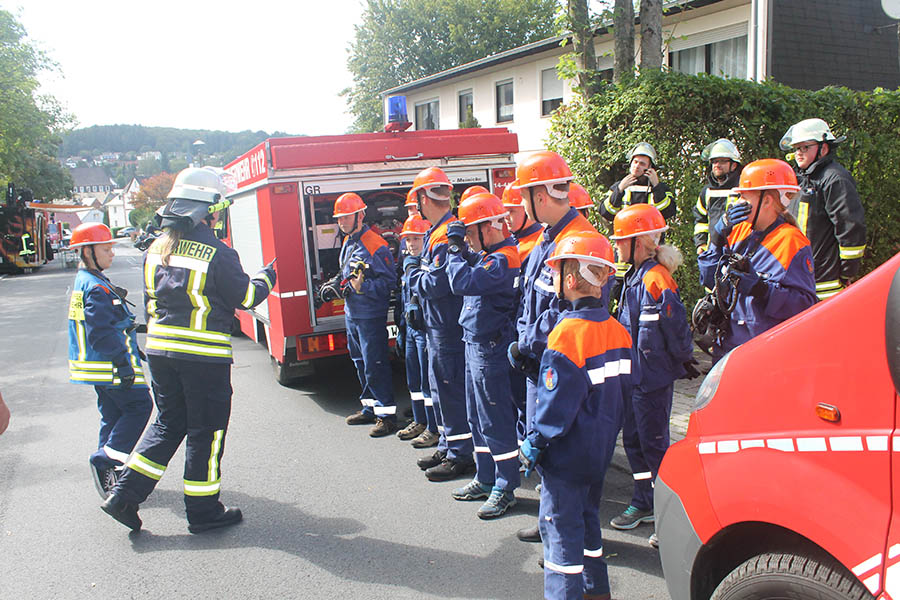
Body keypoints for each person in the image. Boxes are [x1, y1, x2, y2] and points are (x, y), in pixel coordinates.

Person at [101, 167, 276, 533]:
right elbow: (246, 297)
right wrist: (267, 277)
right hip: (202, 358)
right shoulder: (217, 251)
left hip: (161, 354)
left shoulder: (155, 248)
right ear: (209, 211)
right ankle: (203, 511)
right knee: (206, 432)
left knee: (168, 423)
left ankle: (123, 495)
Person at [519, 233, 630, 600]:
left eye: (555, 271)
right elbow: (621, 394)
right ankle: (597, 591)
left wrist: (534, 442)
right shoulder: (619, 333)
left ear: (570, 278)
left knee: (560, 537)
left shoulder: (566, 333)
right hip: (599, 453)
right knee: (588, 527)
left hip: (566, 459)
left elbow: (555, 408)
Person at [507, 150, 597, 543]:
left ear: (538, 196)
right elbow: (533, 298)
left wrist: (530, 343)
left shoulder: (580, 241)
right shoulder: (549, 236)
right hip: (539, 364)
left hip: (561, 367)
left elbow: (575, 311)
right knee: (544, 451)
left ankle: (567, 542)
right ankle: (551, 525)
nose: (521, 204)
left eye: (524, 196)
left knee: (560, 454)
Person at [608, 204, 695, 539]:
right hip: (634, 378)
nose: (617, 246)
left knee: (655, 446)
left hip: (652, 381)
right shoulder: (633, 276)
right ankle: (644, 501)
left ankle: (669, 518)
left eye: (621, 241)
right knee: (634, 441)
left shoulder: (656, 279)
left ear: (638, 242)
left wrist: (684, 359)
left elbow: (675, 327)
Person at [446, 192, 521, 519]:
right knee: (477, 416)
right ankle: (485, 476)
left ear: (485, 229)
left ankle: (505, 485)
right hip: (476, 343)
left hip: (491, 348)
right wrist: (463, 249)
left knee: (495, 417)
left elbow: (460, 280)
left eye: (470, 234)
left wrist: (453, 250)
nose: (468, 242)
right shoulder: (491, 256)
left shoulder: (504, 258)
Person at [66, 222, 153, 499]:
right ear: (88, 251)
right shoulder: (94, 288)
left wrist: (130, 341)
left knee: (113, 416)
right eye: (106, 249)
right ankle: (107, 459)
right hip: (110, 366)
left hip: (96, 368)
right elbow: (100, 333)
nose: (112, 254)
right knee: (140, 406)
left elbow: (108, 326)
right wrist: (124, 362)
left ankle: (108, 475)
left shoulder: (85, 280)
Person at [698, 159, 817, 359]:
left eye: (745, 197)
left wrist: (761, 290)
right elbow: (709, 279)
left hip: (765, 352)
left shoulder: (791, 241)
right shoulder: (738, 231)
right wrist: (716, 241)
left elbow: (804, 305)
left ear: (768, 200)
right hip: (728, 347)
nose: (738, 203)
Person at [406, 167, 475, 481]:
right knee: (440, 388)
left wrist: (414, 279)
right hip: (438, 325)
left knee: (450, 389)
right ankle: (449, 444)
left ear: (423, 198)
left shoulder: (447, 233)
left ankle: (460, 455)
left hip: (447, 326)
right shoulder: (439, 231)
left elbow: (435, 283)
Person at [780, 118, 867, 300]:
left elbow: (851, 229)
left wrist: (846, 273)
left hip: (825, 283)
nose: (799, 153)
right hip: (799, 277)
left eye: (805, 147)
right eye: (796, 148)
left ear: (824, 148)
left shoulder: (835, 179)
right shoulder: (800, 179)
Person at [335, 193, 398, 437]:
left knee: (375, 364)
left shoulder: (376, 244)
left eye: (346, 217)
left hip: (371, 315)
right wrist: (336, 285)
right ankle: (370, 407)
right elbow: (346, 275)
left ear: (360, 216)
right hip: (353, 313)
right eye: (339, 218)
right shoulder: (348, 242)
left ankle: (387, 416)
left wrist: (364, 288)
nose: (342, 222)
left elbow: (389, 281)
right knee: (360, 362)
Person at [600, 142, 676, 305]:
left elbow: (669, 211)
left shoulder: (660, 189)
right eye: (635, 162)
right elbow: (605, 212)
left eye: (642, 163)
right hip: (623, 256)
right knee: (619, 296)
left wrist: (656, 187)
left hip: (650, 254)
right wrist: (619, 189)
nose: (637, 166)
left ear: (650, 168)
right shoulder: (620, 187)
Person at [502, 183, 543, 443]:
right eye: (504, 212)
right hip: (514, 330)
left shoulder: (535, 244)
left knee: (527, 400)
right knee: (517, 398)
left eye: (512, 211)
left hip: (526, 334)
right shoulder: (517, 242)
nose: (507, 217)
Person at [396, 214, 439, 447]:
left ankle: (433, 428)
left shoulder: (427, 264)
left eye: (416, 238)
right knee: (413, 380)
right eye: (408, 239)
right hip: (412, 330)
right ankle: (419, 420)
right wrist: (402, 330)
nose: (412, 244)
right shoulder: (408, 264)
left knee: (427, 382)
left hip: (424, 331)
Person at [693, 139, 743, 254]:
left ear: (734, 165)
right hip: (712, 253)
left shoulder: (742, 189)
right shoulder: (707, 191)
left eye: (722, 161)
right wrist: (701, 244)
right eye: (714, 161)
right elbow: (700, 220)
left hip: (738, 252)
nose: (717, 165)